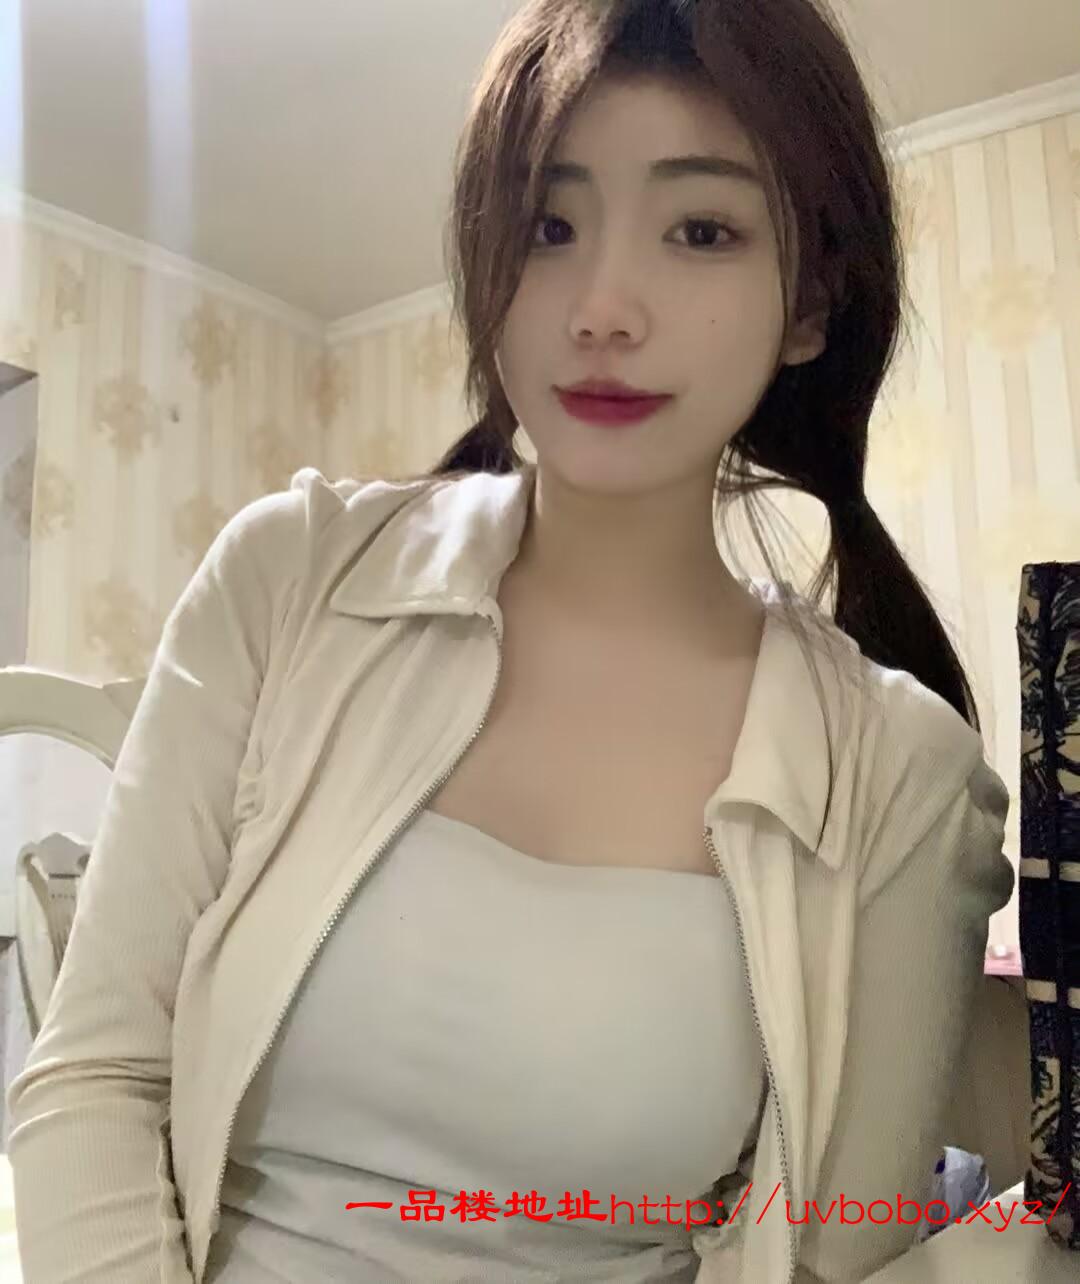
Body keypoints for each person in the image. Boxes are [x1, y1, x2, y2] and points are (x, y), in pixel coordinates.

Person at [7, 1, 1014, 1281]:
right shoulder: (289, 575)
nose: (601, 308)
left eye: (702, 230)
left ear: (812, 299)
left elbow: (827, 1260)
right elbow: (94, 1076)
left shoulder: (899, 775)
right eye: (547, 224)